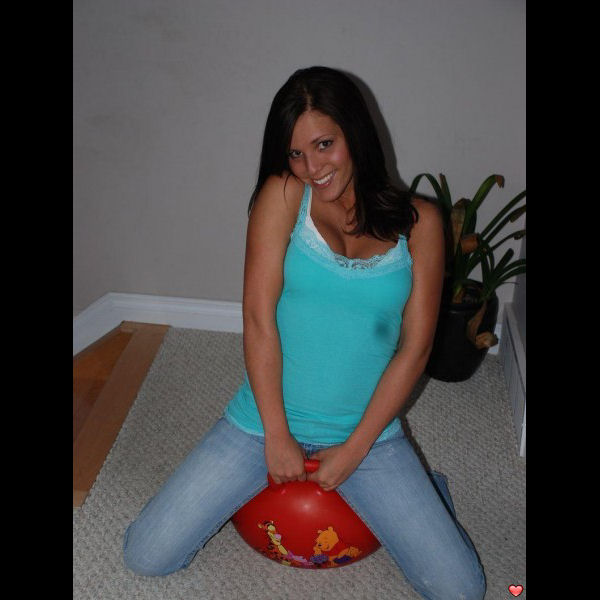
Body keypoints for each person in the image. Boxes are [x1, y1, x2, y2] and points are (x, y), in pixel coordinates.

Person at [123, 66, 486, 600]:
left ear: (354, 133)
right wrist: (276, 435)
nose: (312, 167)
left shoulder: (421, 222)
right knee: (147, 556)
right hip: (263, 422)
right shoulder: (284, 196)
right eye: (296, 153)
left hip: (367, 433)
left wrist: (356, 449)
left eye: (324, 145)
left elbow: (416, 348)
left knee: (462, 590)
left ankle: (430, 489)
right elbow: (257, 320)